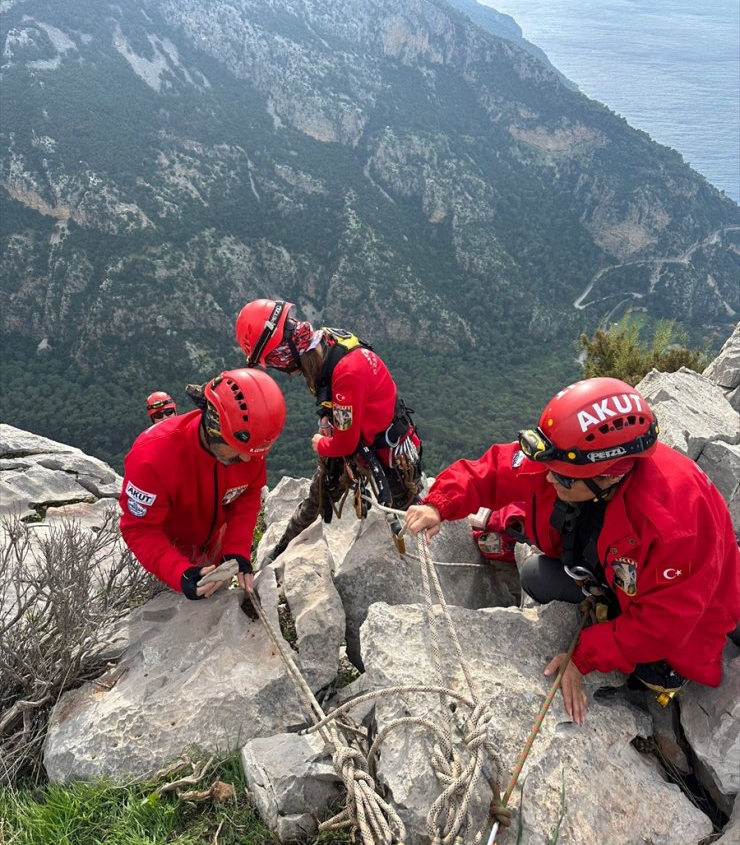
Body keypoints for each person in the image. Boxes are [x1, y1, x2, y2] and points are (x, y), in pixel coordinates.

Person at [404, 377, 740, 724]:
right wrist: (439, 504)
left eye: (562, 479)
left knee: (659, 666)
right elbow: (496, 470)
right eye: (550, 470)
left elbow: (662, 626)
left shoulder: (674, 525)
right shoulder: (567, 459)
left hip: (689, 610)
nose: (548, 479)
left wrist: (584, 657)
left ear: (609, 477)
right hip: (618, 577)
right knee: (536, 576)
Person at [235, 299, 423, 559]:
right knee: (319, 493)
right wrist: (326, 415)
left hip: (383, 455)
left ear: (281, 353)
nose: (279, 368)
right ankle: (282, 549)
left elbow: (345, 443)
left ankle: (414, 560)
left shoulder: (346, 373)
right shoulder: (325, 341)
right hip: (375, 438)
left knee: (405, 514)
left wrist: (320, 443)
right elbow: (329, 391)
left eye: (274, 361)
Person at [120, 369, 286, 599]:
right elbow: (140, 528)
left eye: (256, 452)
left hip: (217, 537)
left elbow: (248, 492)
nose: (248, 460)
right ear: (214, 428)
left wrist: (236, 549)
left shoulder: (247, 442)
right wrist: (179, 572)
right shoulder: (151, 458)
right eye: (240, 451)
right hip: (173, 549)